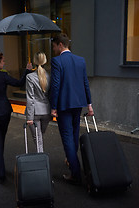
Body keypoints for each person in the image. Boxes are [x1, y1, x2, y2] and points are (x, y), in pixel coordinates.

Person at [0, 52, 32, 184]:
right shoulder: (3, 76)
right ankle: (0, 172)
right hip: (3, 112)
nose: (4, 63)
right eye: (3, 61)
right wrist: (27, 70)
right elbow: (19, 82)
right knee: (0, 138)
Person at [50, 33, 94, 185]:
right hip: (78, 103)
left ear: (60, 45)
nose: (54, 49)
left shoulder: (57, 61)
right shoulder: (80, 60)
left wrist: (53, 107)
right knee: (74, 133)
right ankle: (71, 160)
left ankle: (75, 173)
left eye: (54, 46)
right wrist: (89, 105)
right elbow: (85, 83)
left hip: (64, 105)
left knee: (67, 137)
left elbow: (55, 85)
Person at [26, 52, 51, 153]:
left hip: (35, 112)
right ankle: (41, 159)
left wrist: (29, 117)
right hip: (47, 111)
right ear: (45, 61)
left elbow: (30, 98)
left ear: (34, 61)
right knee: (40, 136)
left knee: (38, 139)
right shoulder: (50, 76)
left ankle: (41, 162)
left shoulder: (30, 77)